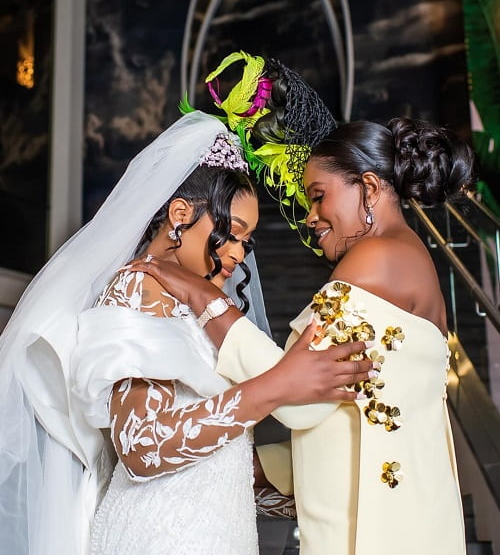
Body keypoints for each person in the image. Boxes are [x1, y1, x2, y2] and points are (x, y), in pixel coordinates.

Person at [127, 53, 474, 554]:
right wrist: (249, 468)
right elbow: (349, 418)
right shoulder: (408, 261)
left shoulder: (376, 258)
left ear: (369, 188)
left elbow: (300, 399)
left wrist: (204, 297)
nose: (310, 217)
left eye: (318, 195)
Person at [0, 106, 375, 552]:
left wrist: (320, 490)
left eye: (246, 241)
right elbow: (141, 447)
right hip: (156, 537)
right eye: (231, 233)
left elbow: (219, 461)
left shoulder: (206, 312)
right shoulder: (139, 285)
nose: (238, 254)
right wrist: (276, 385)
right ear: (180, 213)